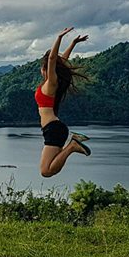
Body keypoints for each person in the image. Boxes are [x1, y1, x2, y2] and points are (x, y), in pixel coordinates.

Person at [36, 26, 91, 177]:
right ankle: (72, 145)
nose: (42, 69)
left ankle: (73, 145)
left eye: (43, 67)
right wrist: (73, 43)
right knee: (50, 169)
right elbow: (61, 61)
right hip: (53, 129)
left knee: (46, 171)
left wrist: (59, 38)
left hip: (53, 129)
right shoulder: (52, 83)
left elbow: (54, 59)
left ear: (45, 68)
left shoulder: (51, 83)